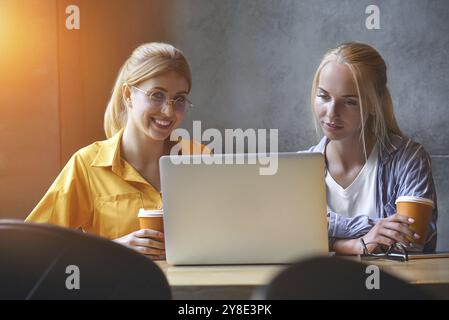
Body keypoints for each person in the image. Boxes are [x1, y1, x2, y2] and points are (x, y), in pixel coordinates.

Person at [26, 42, 205, 260]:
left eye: (179, 99)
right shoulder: (87, 165)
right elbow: (32, 246)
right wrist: (112, 250)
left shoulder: (199, 158)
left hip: (192, 292)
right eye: (157, 95)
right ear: (128, 94)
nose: (168, 111)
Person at [307, 42, 437, 254]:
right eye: (324, 96)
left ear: (374, 105)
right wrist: (356, 245)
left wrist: (325, 232)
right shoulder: (300, 169)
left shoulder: (409, 158)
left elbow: (408, 241)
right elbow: (288, 242)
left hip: (388, 286)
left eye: (349, 102)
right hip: (320, 287)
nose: (331, 112)